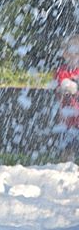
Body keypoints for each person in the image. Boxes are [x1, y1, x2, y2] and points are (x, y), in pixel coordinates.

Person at [53, 34, 79, 162]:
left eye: (78, 53)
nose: (75, 56)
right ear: (65, 53)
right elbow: (63, 84)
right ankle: (66, 170)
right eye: (72, 52)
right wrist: (70, 85)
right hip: (68, 123)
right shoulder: (61, 72)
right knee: (68, 150)